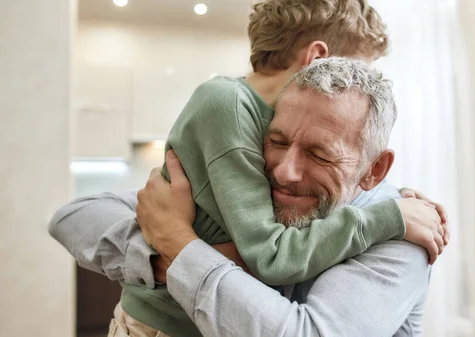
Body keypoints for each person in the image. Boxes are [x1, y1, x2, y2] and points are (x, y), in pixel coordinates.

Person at [51, 57, 448, 337]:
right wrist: (160, 258)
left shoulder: (405, 234)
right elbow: (74, 217)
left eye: (319, 154)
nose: (283, 172)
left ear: (374, 170)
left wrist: (179, 244)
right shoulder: (261, 197)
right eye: (276, 141)